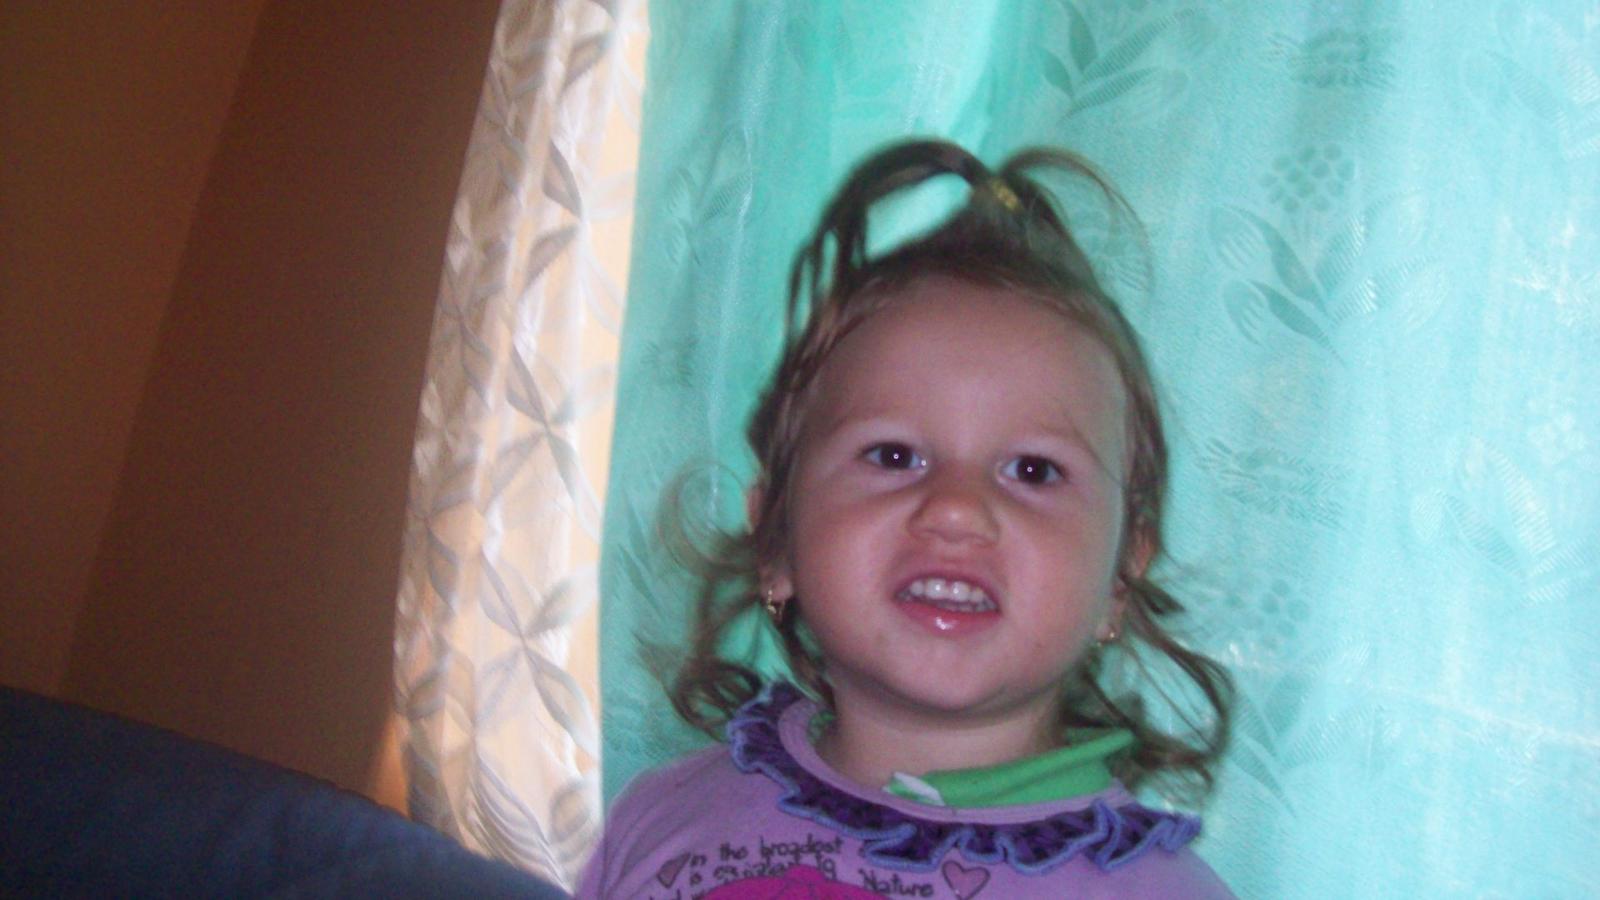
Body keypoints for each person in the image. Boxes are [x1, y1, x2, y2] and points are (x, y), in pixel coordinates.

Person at [579, 140, 1234, 898]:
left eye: (1033, 470)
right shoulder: (664, 816)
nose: (956, 507)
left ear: (1121, 576)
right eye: (893, 456)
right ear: (776, 539)